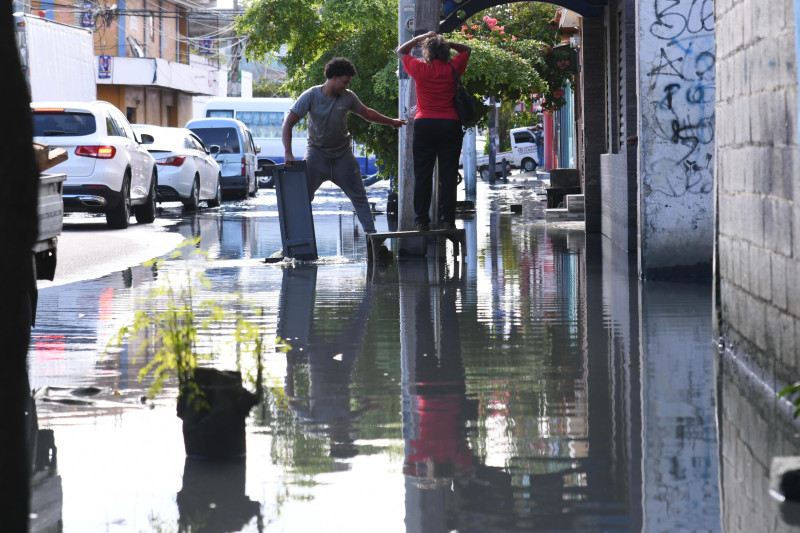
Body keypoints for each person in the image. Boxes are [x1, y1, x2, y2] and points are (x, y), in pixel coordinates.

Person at [281, 57, 406, 237]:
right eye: (344, 82)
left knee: (360, 197)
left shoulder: (348, 97)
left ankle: (373, 239)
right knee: (302, 196)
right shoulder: (311, 95)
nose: (346, 86)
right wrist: (288, 153)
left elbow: (367, 113)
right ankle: (295, 240)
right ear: (333, 78)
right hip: (317, 156)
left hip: (343, 157)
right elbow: (288, 123)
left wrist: (391, 122)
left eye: (348, 83)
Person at [396, 31, 471, 231]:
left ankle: (421, 221)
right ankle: (448, 221)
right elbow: (466, 49)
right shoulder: (452, 68)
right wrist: (446, 42)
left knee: (423, 174)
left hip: (425, 123)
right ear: (446, 53)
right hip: (450, 124)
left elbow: (401, 51)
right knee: (448, 175)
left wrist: (421, 39)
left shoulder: (421, 68)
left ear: (427, 53)